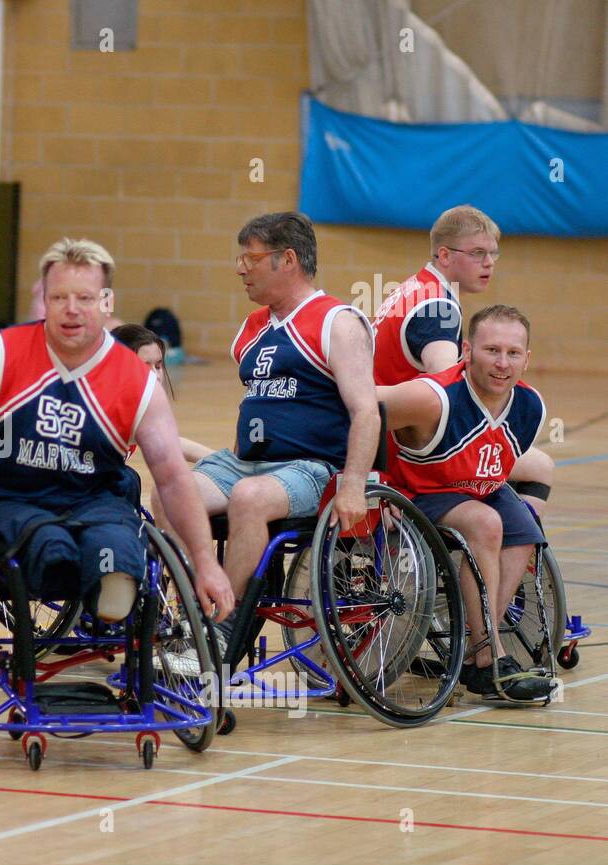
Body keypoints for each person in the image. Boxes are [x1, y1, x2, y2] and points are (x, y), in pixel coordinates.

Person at [0, 238, 233, 630]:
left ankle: (108, 623)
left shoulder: (136, 379)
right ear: (45, 300)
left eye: (84, 298)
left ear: (106, 302)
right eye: (59, 297)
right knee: (52, 553)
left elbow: (172, 477)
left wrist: (204, 562)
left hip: (94, 502)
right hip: (12, 499)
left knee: (119, 561)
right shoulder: (0, 353)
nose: (71, 309)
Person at [190, 212, 378, 645]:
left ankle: (222, 626)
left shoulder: (338, 322)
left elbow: (366, 411)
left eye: (250, 258)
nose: (241, 268)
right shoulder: (251, 328)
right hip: (247, 464)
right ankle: (189, 605)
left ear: (287, 259)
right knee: (172, 493)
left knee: (249, 498)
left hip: (311, 468)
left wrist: (352, 487)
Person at [377, 305, 553, 700]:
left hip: (478, 487)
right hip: (420, 491)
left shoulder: (531, 406)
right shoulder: (432, 398)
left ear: (527, 358)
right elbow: (364, 409)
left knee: (524, 532)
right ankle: (489, 653)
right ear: (468, 350)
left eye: (513, 353)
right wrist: (375, 483)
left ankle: (477, 646)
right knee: (486, 524)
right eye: (492, 350)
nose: (502, 363)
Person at [373, 205, 556, 517]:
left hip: (380, 435)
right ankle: (507, 543)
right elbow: (450, 391)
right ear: (444, 256)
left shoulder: (416, 288)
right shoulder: (438, 310)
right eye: (477, 253)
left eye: (493, 254)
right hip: (401, 450)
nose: (488, 264)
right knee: (540, 466)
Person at [111, 323, 212, 465]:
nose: (155, 375)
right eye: (143, 366)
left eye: (158, 366)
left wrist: (229, 464)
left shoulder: (142, 407)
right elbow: (168, 444)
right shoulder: (103, 406)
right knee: (128, 480)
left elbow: (173, 443)